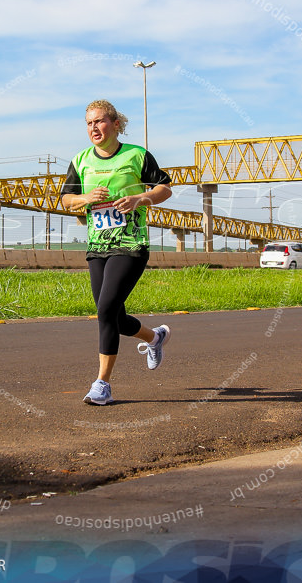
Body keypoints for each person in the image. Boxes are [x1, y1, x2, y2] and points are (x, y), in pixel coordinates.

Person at [59, 99, 173, 405]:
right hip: (98, 247)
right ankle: (154, 337)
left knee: (107, 309)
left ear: (115, 124)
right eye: (89, 123)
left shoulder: (136, 155)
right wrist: (85, 198)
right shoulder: (81, 160)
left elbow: (164, 188)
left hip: (131, 244)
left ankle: (102, 385)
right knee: (110, 315)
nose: (94, 128)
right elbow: (66, 200)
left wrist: (140, 198)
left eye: (100, 121)